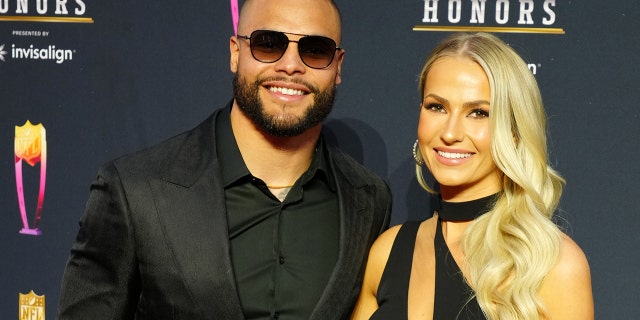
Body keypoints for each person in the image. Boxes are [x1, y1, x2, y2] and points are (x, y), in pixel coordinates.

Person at [57, 0, 392, 319]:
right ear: (235, 53)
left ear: (338, 67)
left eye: (315, 50)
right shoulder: (135, 190)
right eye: (268, 44)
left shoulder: (367, 200)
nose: (290, 65)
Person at [351, 33, 593, 320]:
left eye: (478, 113)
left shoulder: (555, 265)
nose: (450, 133)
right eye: (436, 107)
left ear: (514, 132)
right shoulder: (387, 252)